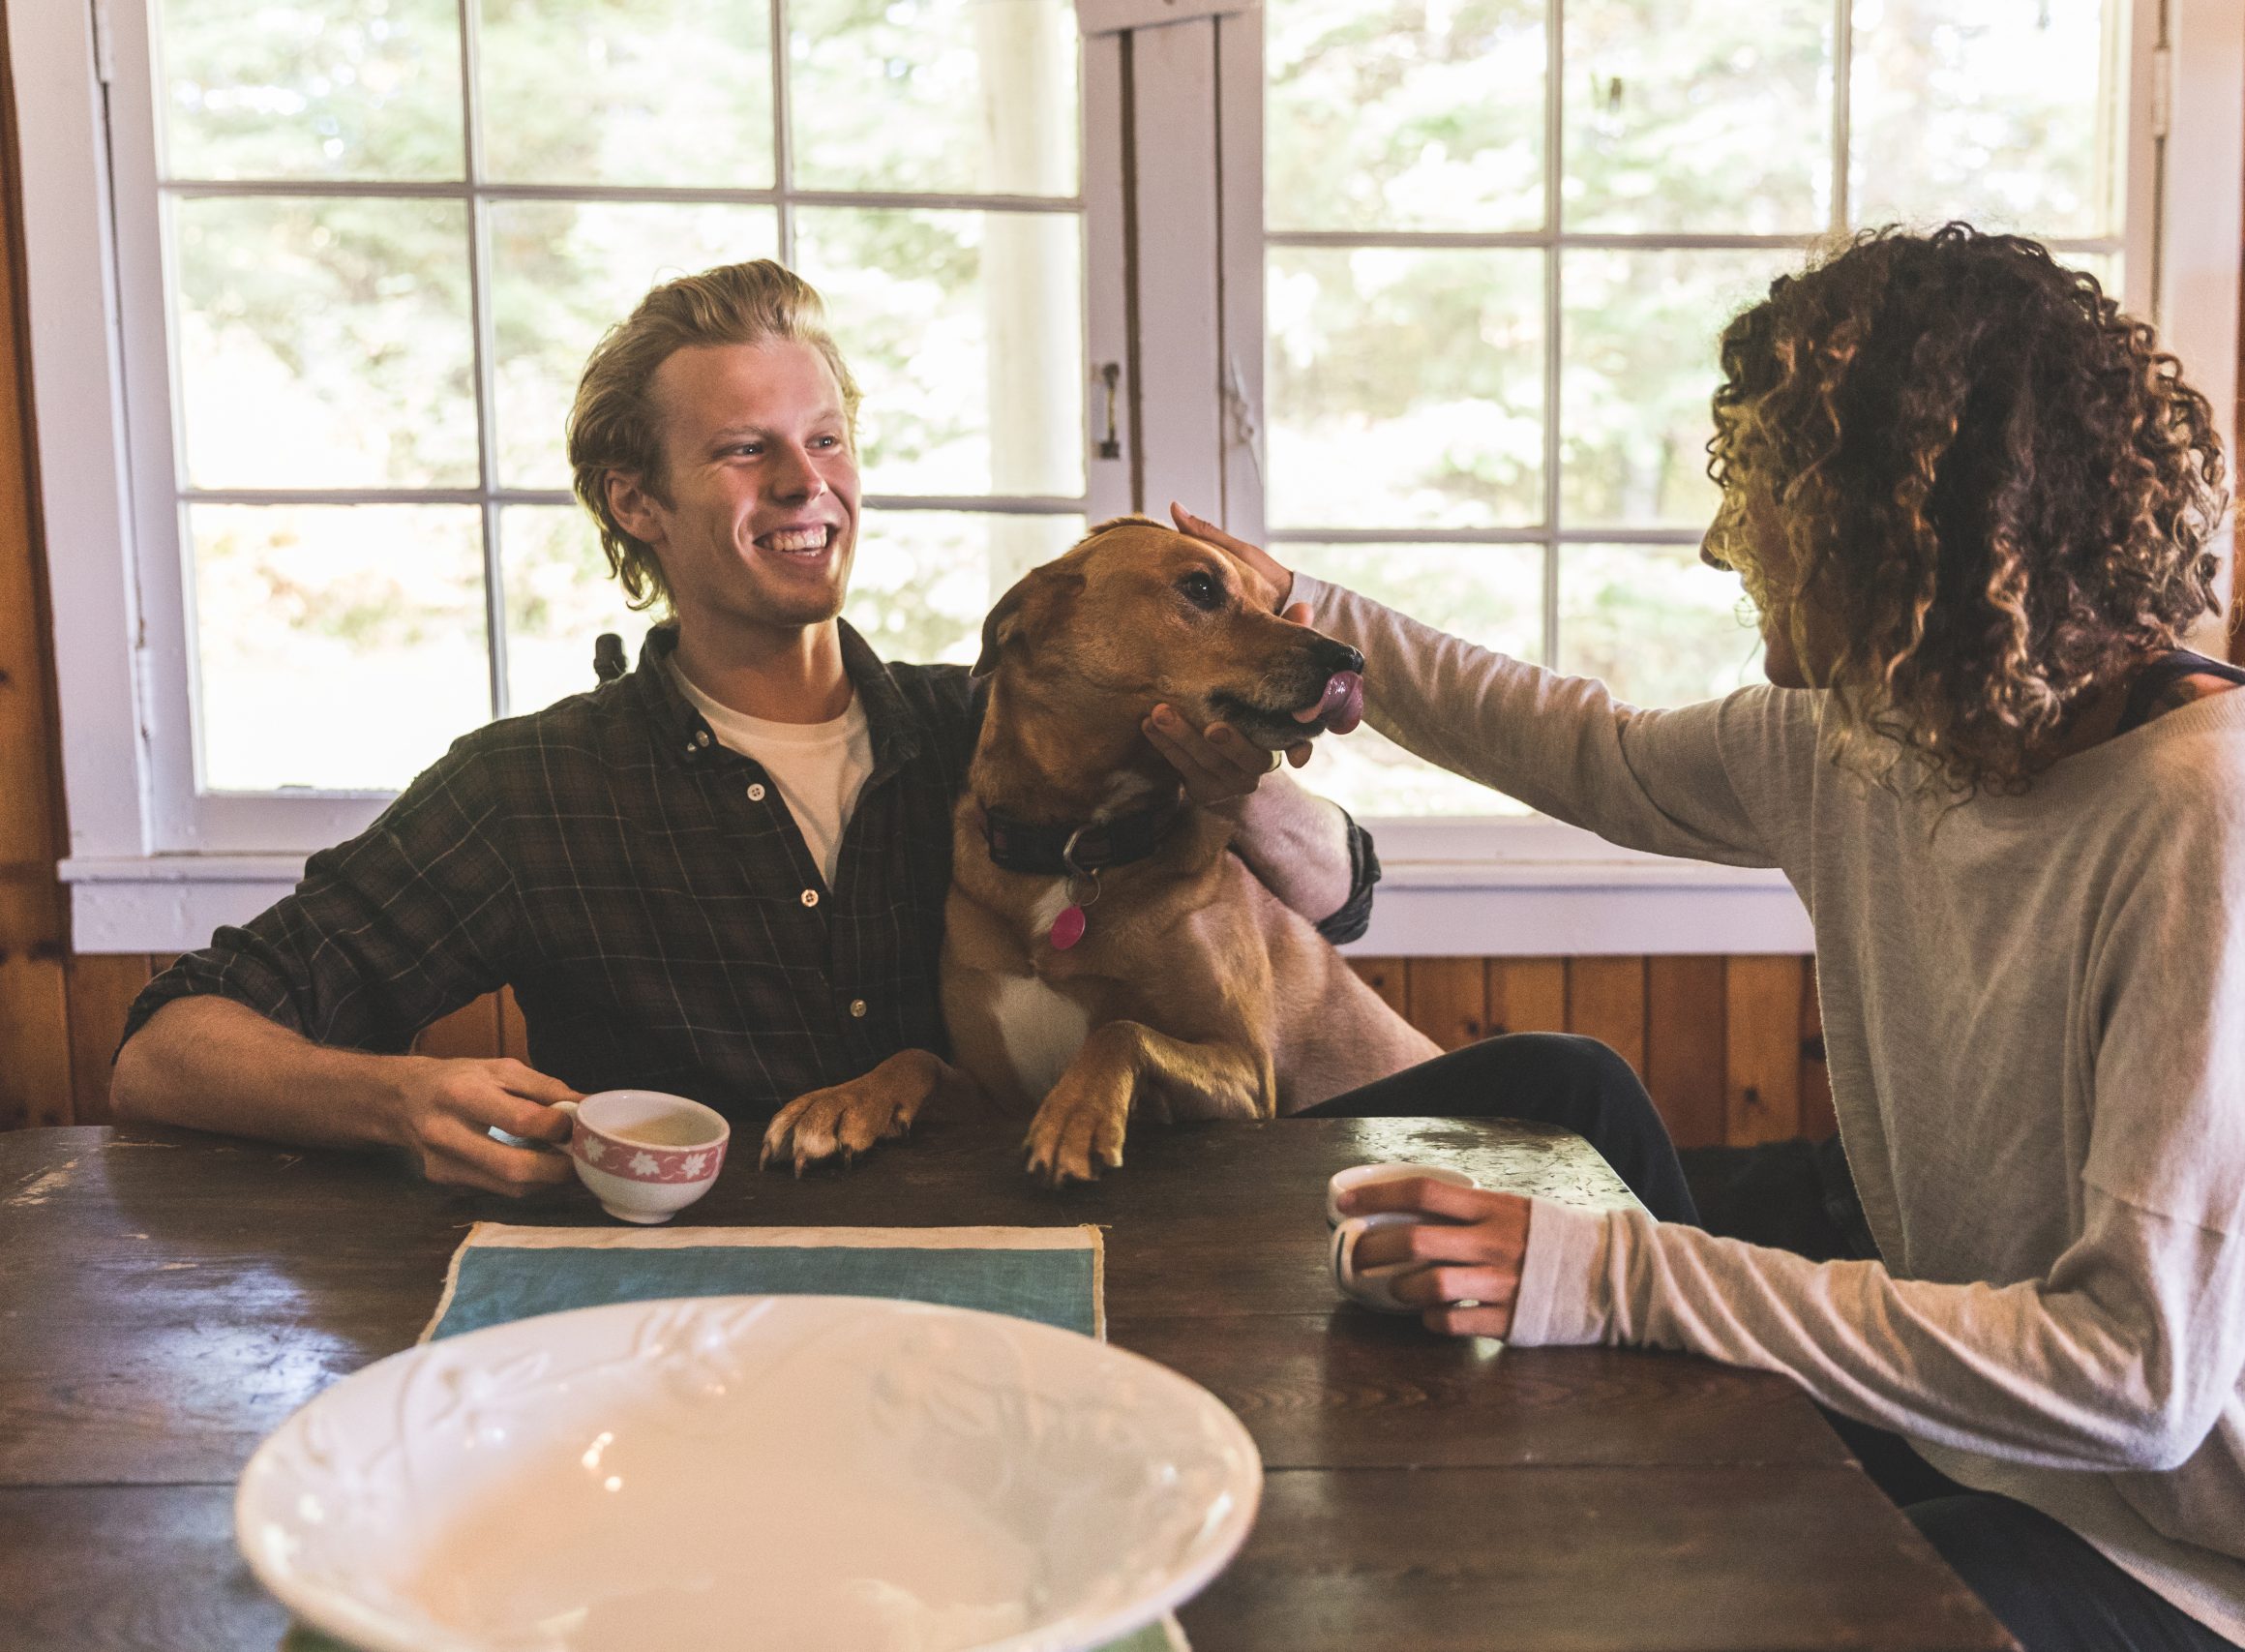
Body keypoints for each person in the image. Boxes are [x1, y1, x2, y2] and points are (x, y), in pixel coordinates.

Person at [1183, 225, 2245, 1652]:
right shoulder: (1876, 733)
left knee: (1675, 1596)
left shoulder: (2225, 808)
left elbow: (2137, 1377)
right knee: (1571, 1110)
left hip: (2233, 1561)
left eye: (1766, 497)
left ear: (1901, 522)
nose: (1722, 541)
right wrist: (1301, 619)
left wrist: (1607, 1277)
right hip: (2005, 1450)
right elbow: (1591, 750)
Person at [110, 259, 1380, 1193]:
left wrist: (1243, 777)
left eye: (825, 439)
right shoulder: (530, 794)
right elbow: (166, 1053)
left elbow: (1342, 890)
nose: (805, 484)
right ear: (637, 502)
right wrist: (398, 1096)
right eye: (742, 450)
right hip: (671, 1331)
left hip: (1018, 1320)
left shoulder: (995, 732)